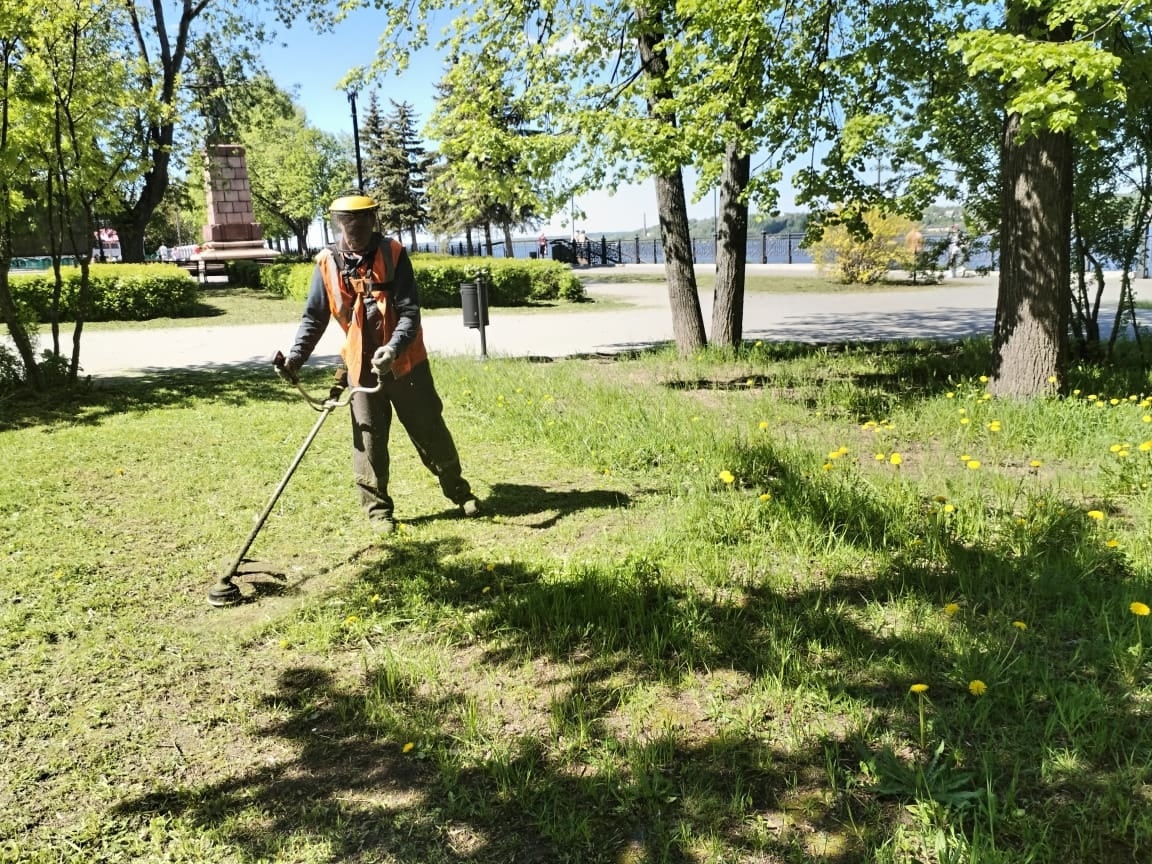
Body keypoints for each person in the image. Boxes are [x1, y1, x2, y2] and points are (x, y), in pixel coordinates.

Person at [279, 194, 480, 535]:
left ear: (372, 221)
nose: (354, 228)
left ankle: (459, 492)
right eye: (348, 221)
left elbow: (409, 311)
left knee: (429, 428)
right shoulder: (327, 262)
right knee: (368, 439)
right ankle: (378, 512)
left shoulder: (393, 253)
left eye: (361, 221)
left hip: (406, 364)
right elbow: (314, 317)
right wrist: (296, 357)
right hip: (359, 368)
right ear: (338, 223)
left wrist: (392, 349)